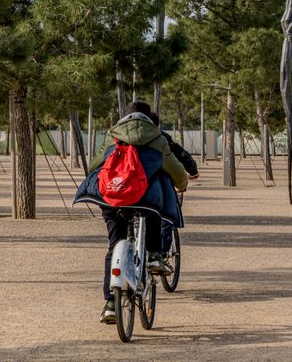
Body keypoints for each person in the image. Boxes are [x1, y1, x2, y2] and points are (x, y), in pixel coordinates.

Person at [73, 101, 188, 325]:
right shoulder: (158, 138)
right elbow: (176, 172)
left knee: (114, 244)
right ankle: (154, 255)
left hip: (111, 197)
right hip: (144, 198)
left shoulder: (112, 136)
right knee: (153, 213)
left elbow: (94, 166)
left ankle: (110, 304)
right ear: (149, 118)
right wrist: (182, 183)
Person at [148, 111, 199, 262]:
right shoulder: (160, 137)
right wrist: (191, 172)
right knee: (167, 215)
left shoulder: (122, 137)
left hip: (126, 188)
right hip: (158, 186)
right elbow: (179, 155)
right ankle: (162, 254)